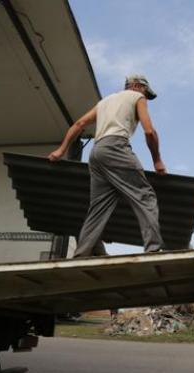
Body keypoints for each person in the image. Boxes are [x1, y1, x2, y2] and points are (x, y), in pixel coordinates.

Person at [48, 74, 166, 257]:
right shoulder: (137, 97)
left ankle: (81, 254)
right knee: (145, 196)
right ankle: (153, 248)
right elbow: (149, 131)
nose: (145, 94)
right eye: (144, 90)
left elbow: (79, 124)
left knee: (98, 207)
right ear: (136, 86)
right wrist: (157, 160)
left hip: (96, 154)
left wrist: (61, 150)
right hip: (116, 147)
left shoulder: (105, 101)